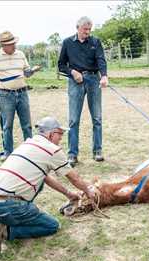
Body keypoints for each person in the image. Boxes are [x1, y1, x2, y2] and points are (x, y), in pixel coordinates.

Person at [0, 116, 96, 255]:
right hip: (9, 206)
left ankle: (8, 218)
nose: (61, 138)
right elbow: (75, 178)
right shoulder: (52, 150)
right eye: (59, 133)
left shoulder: (28, 143)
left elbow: (45, 178)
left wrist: (69, 194)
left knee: (39, 180)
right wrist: (87, 191)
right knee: (52, 226)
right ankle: (7, 231)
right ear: (51, 134)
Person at [0, 31, 41, 160]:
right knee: (7, 125)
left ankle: (30, 152)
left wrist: (33, 70)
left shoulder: (20, 54)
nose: (14, 46)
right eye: (10, 44)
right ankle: (8, 153)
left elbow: (26, 73)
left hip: (22, 92)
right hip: (6, 95)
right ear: (3, 45)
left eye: (14, 43)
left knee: (26, 125)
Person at [58, 16, 108, 167]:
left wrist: (104, 76)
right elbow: (61, 65)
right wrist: (72, 72)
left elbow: (101, 60)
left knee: (97, 118)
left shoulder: (95, 42)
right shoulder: (67, 43)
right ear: (77, 27)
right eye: (85, 29)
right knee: (73, 120)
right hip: (75, 82)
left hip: (93, 80)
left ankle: (97, 151)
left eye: (89, 30)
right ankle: (72, 154)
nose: (87, 32)